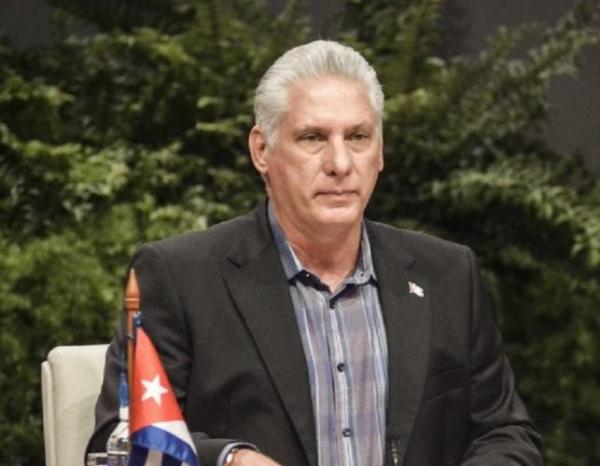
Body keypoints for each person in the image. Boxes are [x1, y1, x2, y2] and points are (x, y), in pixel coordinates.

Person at [87, 40, 542, 466]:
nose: (340, 164)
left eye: (358, 137)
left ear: (380, 152)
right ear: (262, 150)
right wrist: (230, 459)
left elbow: (504, 433)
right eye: (313, 138)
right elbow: (119, 439)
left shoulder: (448, 274)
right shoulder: (179, 278)